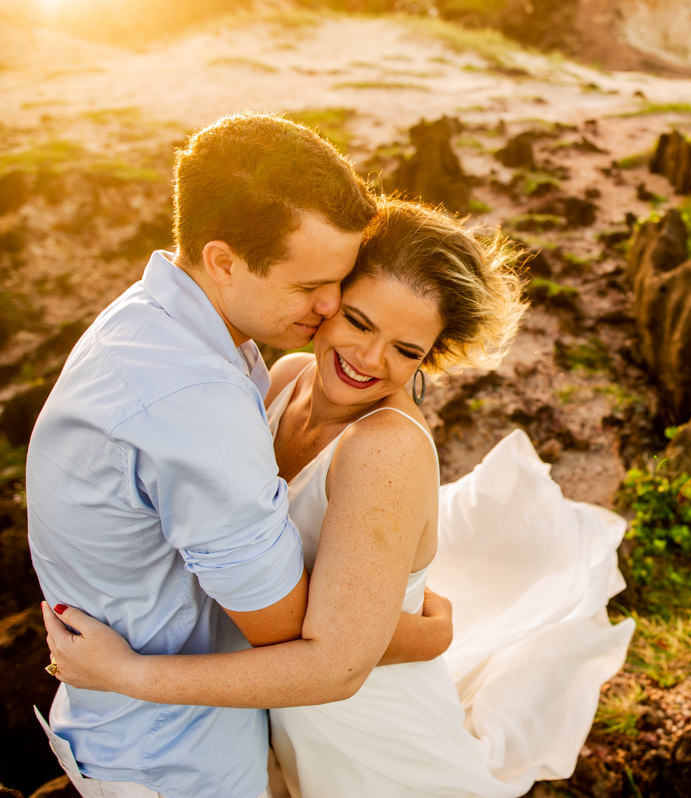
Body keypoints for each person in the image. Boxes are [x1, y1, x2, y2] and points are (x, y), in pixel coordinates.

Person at [43, 198, 636, 797]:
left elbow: (337, 661)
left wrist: (127, 674)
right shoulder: (283, 379)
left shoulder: (385, 451)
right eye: (358, 321)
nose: (370, 360)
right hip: (279, 705)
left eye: (408, 351)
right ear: (326, 299)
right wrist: (413, 630)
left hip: (365, 736)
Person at [26, 114, 452, 798]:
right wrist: (420, 635)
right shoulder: (201, 401)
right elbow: (301, 635)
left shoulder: (152, 322)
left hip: (171, 720)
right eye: (311, 284)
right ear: (224, 260)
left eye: (339, 281)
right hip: (175, 753)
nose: (328, 305)